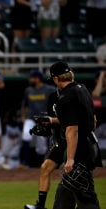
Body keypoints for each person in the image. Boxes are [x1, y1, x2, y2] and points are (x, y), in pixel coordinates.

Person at [49, 61, 103, 209]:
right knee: (65, 192)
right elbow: (93, 119)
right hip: (90, 143)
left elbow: (72, 129)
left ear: (56, 79)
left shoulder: (66, 97)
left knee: (85, 196)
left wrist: (70, 159)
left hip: (80, 150)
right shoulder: (82, 88)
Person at [24, 90, 66, 209]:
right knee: (45, 167)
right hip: (60, 141)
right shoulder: (53, 96)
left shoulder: (74, 93)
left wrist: (51, 120)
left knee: (73, 176)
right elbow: (51, 121)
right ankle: (40, 206)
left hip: (73, 140)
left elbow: (71, 119)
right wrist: (46, 128)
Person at [20, 69, 56, 168]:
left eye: (31, 78)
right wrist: (23, 117)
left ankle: (44, 163)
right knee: (26, 134)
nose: (29, 80)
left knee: (41, 146)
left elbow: (56, 99)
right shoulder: (28, 90)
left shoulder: (49, 89)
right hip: (30, 118)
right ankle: (24, 162)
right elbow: (24, 105)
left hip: (43, 119)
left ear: (37, 78)